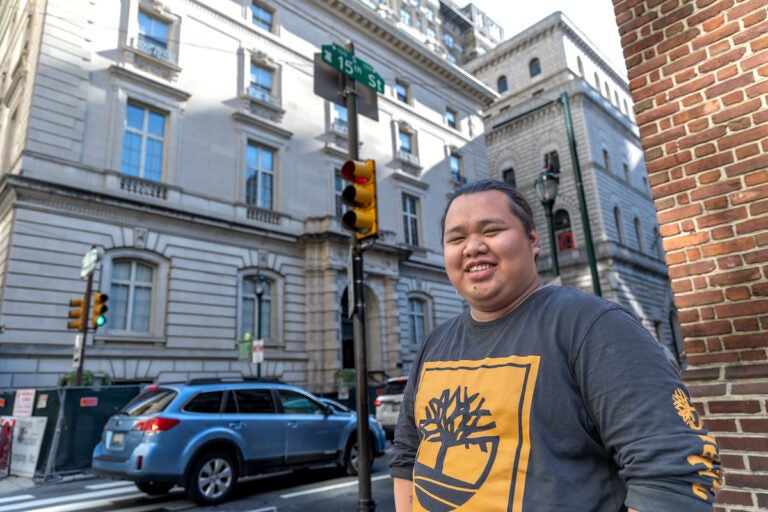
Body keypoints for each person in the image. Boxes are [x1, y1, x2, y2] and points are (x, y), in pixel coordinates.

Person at [390, 180, 721, 511]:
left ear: (532, 238)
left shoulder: (594, 326)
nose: (472, 247)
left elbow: (673, 474)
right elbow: (407, 456)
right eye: (457, 238)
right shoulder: (434, 343)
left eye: (491, 231)